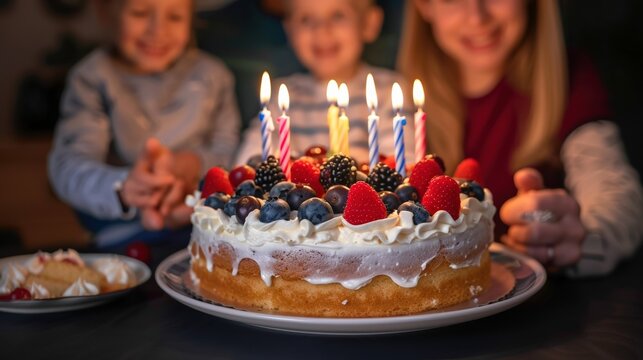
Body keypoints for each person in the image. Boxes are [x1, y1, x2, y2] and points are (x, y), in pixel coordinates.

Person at [397, 0, 643, 276]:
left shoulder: (570, 81)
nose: (477, 17)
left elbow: (617, 201)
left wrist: (580, 239)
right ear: (424, 6)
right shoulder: (395, 102)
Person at [48, 0, 241, 250]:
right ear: (107, 12)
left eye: (174, 17)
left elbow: (231, 152)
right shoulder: (91, 78)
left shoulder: (215, 77)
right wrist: (126, 187)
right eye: (140, 13)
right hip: (118, 239)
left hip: (204, 231)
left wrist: (189, 165)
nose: (157, 30)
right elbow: (67, 167)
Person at [234, 0, 414, 166]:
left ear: (368, 23)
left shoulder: (388, 90)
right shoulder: (283, 94)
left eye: (337, 16)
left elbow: (402, 162)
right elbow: (249, 161)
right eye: (306, 19)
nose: (321, 30)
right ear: (289, 30)